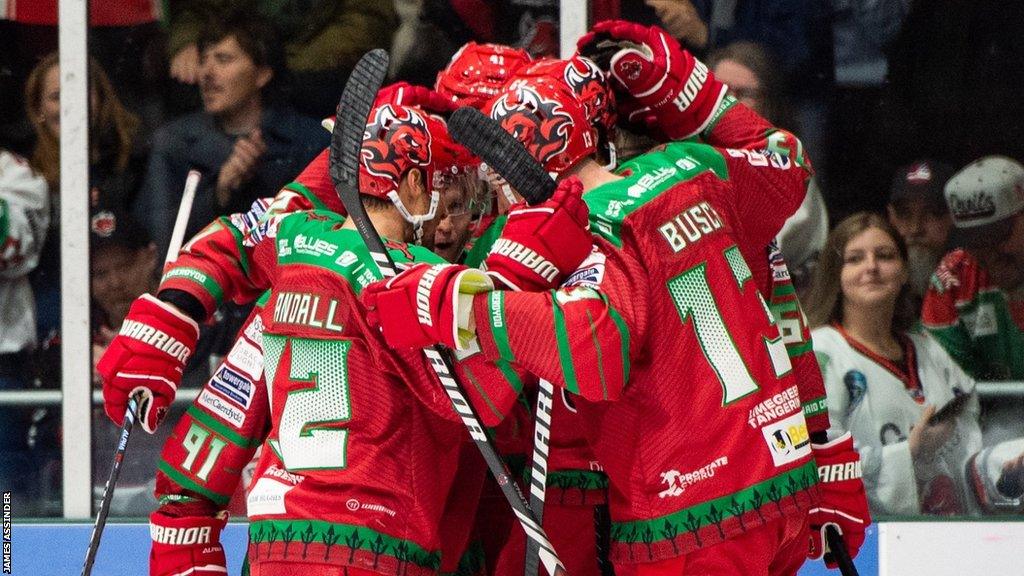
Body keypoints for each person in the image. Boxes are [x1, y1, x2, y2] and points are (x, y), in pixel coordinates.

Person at [363, 21, 870, 574]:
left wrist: (456, 304)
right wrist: (685, 88)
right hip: (779, 480)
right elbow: (785, 160)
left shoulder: (585, 233)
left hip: (689, 509)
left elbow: (593, 352)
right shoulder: (694, 168)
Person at [804, 212, 1024, 515]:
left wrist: (1003, 465)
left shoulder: (929, 350)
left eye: (884, 256)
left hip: (949, 535)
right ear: (835, 275)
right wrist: (909, 452)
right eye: (855, 259)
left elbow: (965, 460)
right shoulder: (820, 353)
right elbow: (816, 464)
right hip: (869, 542)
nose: (871, 267)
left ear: (904, 270)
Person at [135, 10, 327, 262]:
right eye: (203, 60)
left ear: (262, 74)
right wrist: (220, 192)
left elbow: (323, 234)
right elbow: (152, 238)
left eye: (223, 59)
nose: (207, 73)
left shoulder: (310, 142)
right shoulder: (173, 142)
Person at [24, 53, 149, 341]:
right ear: (39, 109)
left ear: (100, 100)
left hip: (128, 325)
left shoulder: (133, 166)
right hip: (48, 332)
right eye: (56, 96)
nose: (71, 104)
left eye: (81, 91)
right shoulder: (25, 181)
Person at [708, 41, 828, 296]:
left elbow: (765, 253)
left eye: (745, 94)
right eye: (722, 91)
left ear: (769, 103)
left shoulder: (788, 165)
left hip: (776, 302)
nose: (730, 102)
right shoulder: (679, 155)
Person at [164, 0, 398, 117]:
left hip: (316, 74)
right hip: (246, 61)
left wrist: (275, 65)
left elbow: (365, 22)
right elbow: (197, 9)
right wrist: (188, 41)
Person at [922, 155, 1024, 380]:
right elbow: (948, 384)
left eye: (998, 235)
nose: (989, 252)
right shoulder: (952, 277)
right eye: (975, 241)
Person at [0, 147, 50, 513]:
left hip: (5, 363)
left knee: (7, 504)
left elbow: (14, 248)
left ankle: (8, 563)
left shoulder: (14, 174)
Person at [885, 160, 955, 301]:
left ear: (954, 217)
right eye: (904, 213)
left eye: (933, 213)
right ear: (891, 217)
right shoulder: (878, 294)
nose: (915, 228)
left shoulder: (977, 290)